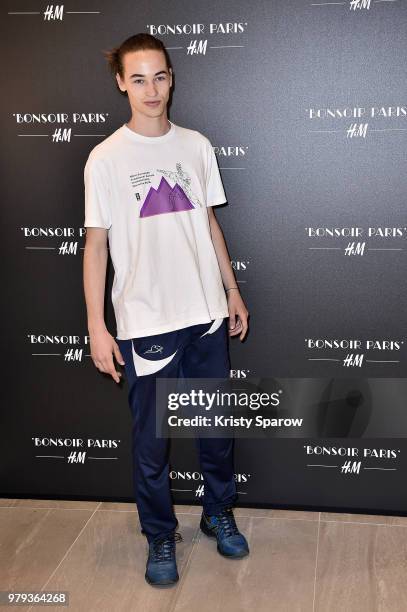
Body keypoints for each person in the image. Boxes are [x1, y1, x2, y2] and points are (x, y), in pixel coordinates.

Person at [82, 33, 250, 587]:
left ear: (172, 77)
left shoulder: (197, 147)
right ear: (120, 83)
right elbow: (97, 247)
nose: (151, 89)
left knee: (215, 431)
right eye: (138, 78)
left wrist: (231, 289)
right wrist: (95, 326)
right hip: (144, 323)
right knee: (152, 445)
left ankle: (217, 512)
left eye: (159, 76)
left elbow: (208, 224)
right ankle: (159, 534)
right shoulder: (105, 159)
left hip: (203, 315)